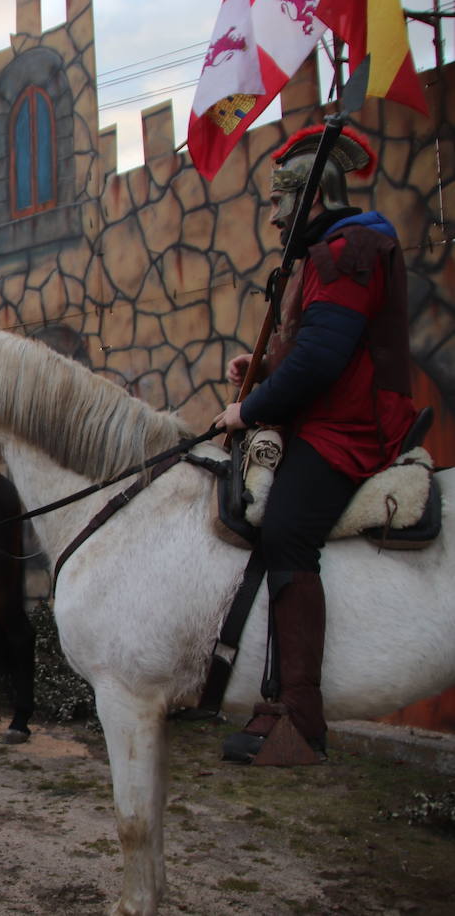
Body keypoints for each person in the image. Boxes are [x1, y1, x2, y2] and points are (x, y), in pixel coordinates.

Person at [215, 125, 416, 765]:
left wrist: (248, 407)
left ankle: (300, 715)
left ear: (309, 198)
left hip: (350, 430)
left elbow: (324, 361)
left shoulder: (348, 250)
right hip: (324, 420)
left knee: (286, 532)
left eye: (280, 202)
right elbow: (310, 350)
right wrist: (264, 364)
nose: (273, 217)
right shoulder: (325, 254)